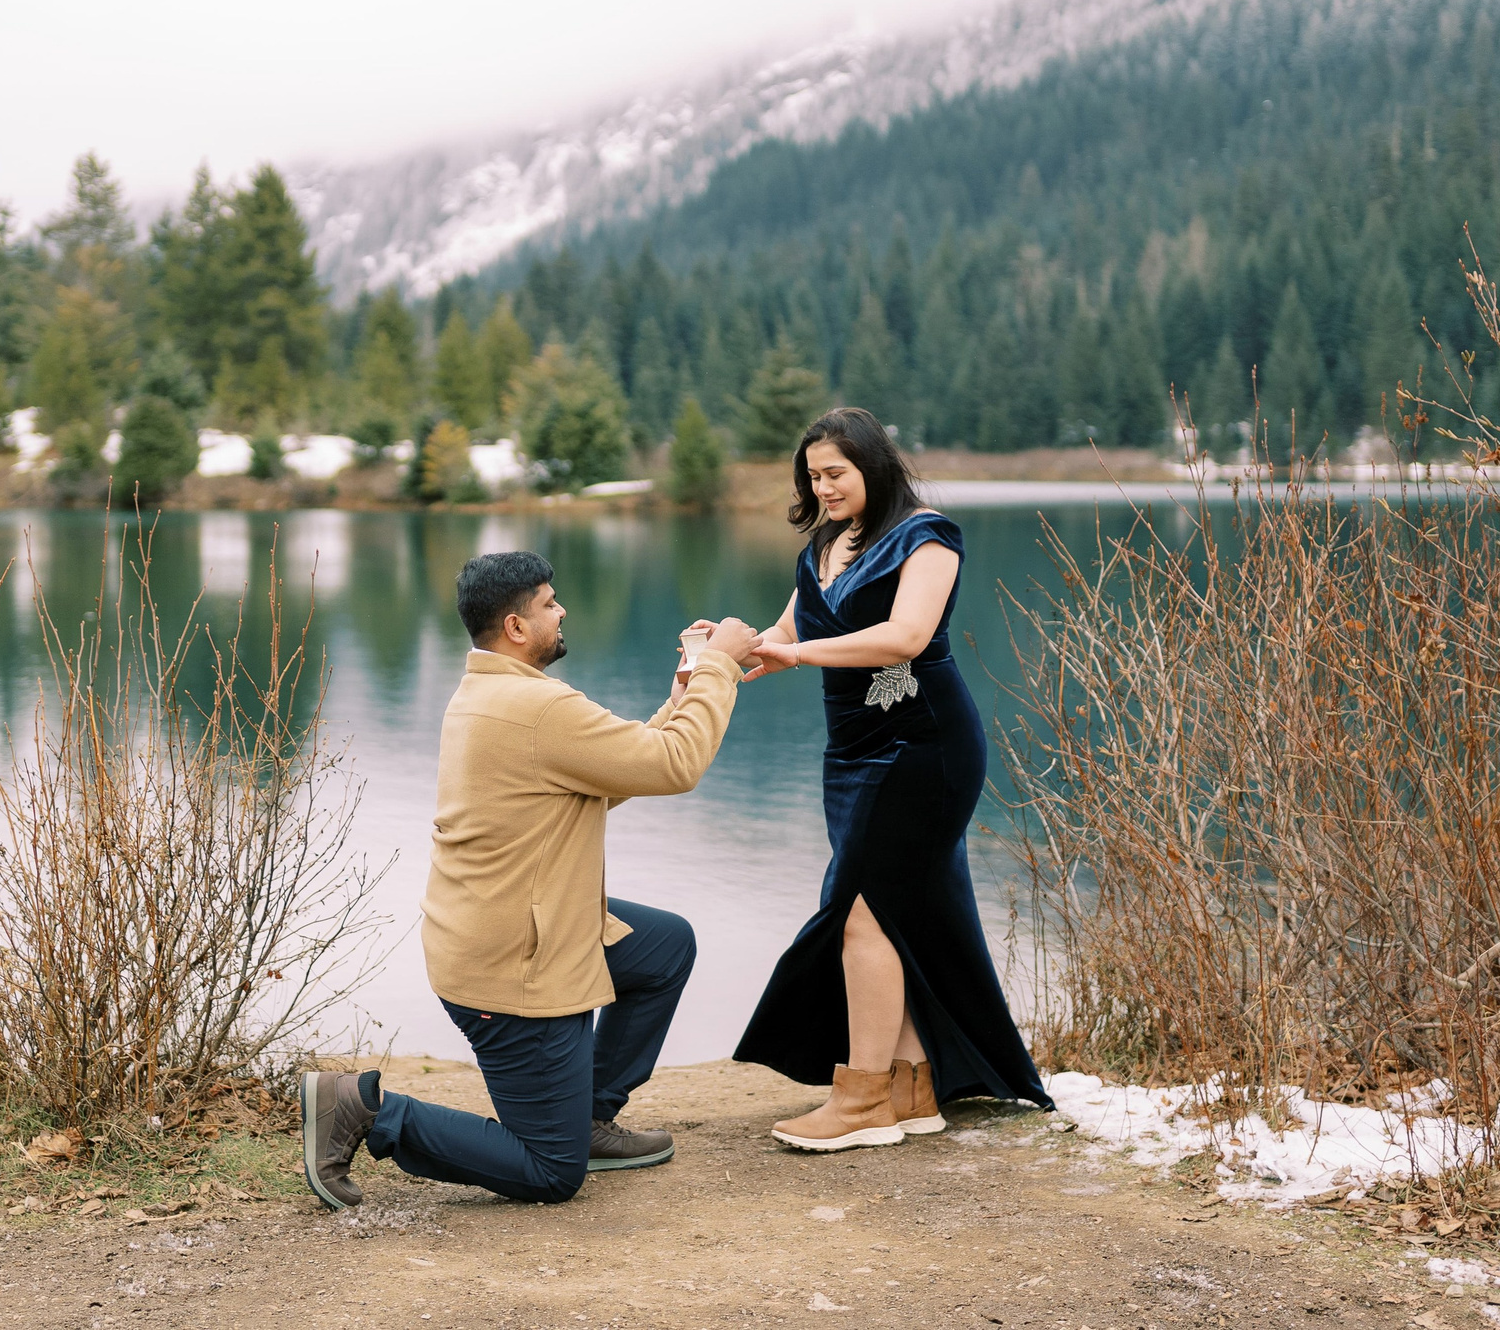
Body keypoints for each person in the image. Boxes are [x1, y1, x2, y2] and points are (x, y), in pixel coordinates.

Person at [299, 550, 762, 1208]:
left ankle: (586, 1117)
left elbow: (616, 771)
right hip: (513, 964)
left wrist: (685, 693)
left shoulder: (492, 694)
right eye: (549, 602)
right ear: (516, 627)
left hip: (503, 927)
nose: (562, 609)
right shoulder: (537, 708)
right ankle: (367, 1110)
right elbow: (675, 764)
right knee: (550, 1172)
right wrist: (721, 667)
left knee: (662, 946)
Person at [733, 407, 1050, 1149]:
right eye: (813, 476)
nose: (822, 487)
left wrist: (798, 656)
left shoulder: (926, 536)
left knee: (860, 911)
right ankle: (911, 1089)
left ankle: (864, 1097)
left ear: (873, 465)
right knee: (892, 910)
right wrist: (721, 655)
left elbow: (906, 637)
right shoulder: (825, 542)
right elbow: (787, 633)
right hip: (851, 750)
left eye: (835, 473)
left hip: (922, 745)